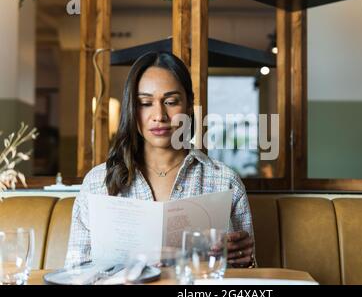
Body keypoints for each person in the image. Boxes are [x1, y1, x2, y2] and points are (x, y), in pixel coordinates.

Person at [65, 51, 256, 269]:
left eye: (171, 101)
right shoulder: (98, 182)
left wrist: (243, 261)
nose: (159, 115)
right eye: (145, 103)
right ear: (131, 108)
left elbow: (246, 274)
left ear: (189, 104)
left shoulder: (225, 180)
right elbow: (75, 270)